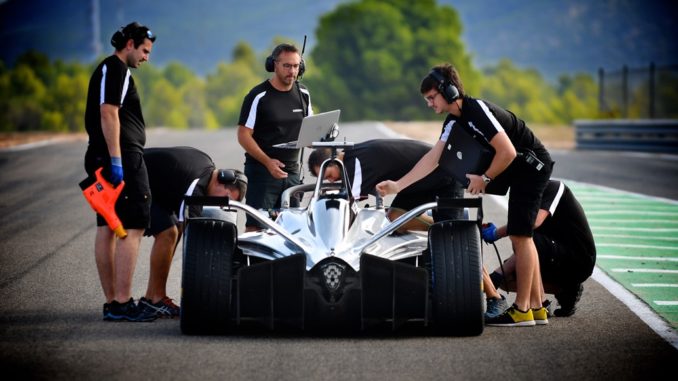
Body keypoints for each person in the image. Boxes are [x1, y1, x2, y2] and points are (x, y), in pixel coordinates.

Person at [376, 63, 554, 327]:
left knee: (521, 235)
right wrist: (398, 186)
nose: (429, 104)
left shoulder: (476, 110)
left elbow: (506, 151)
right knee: (521, 235)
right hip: (520, 170)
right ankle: (536, 308)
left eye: (432, 97)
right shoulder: (453, 122)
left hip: (532, 166)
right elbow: (433, 158)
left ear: (448, 91)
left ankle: (522, 310)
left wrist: (485, 178)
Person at [83, 22, 156, 322]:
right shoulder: (116, 69)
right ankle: (123, 302)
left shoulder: (109, 69)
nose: (146, 58)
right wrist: (117, 160)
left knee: (108, 226)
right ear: (129, 44)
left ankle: (114, 302)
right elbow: (108, 112)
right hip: (120, 156)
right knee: (134, 225)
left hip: (106, 155)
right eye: (143, 51)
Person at [139, 146, 247, 318]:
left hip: (148, 181)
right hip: (130, 178)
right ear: (220, 180)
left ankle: (152, 297)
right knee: (169, 232)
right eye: (223, 199)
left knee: (175, 229)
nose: (219, 205)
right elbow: (194, 240)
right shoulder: (196, 188)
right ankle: (155, 299)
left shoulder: (207, 166)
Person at [483, 179, 596, 317]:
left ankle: (541, 302)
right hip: (552, 253)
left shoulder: (554, 187)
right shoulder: (522, 192)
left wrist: (496, 234)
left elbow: (532, 223)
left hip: (578, 258)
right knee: (507, 282)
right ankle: (562, 291)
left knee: (521, 235)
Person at [308, 139, 464, 231]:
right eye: (326, 180)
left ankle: (454, 227)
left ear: (334, 159)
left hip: (444, 176)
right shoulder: (353, 154)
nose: (332, 181)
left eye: (329, 175)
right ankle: (439, 225)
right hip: (416, 184)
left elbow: (347, 206)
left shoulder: (354, 166)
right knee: (394, 219)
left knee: (450, 238)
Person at [237, 43, 312, 232]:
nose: (292, 71)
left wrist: (318, 139)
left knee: (293, 229)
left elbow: (310, 127)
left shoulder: (303, 93)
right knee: (257, 227)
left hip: (293, 173)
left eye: (296, 66)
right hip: (262, 173)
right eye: (287, 66)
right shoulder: (258, 95)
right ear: (274, 65)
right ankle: (253, 262)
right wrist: (268, 162)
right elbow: (243, 135)